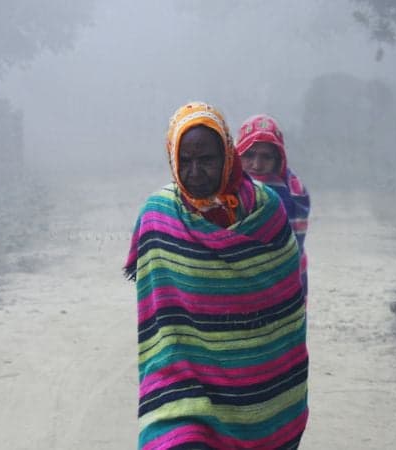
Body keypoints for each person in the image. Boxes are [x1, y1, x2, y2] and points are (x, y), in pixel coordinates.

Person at [124, 102, 308, 449]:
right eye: (185, 161)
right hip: (180, 391)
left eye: (206, 159)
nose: (194, 171)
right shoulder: (158, 216)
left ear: (227, 154)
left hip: (259, 394)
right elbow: (157, 313)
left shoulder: (267, 213)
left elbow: (286, 313)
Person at [236, 114, 311, 294]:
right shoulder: (227, 187)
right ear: (237, 153)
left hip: (285, 276)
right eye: (249, 155)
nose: (257, 164)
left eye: (266, 157)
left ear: (279, 158)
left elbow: (293, 243)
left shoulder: (293, 192)